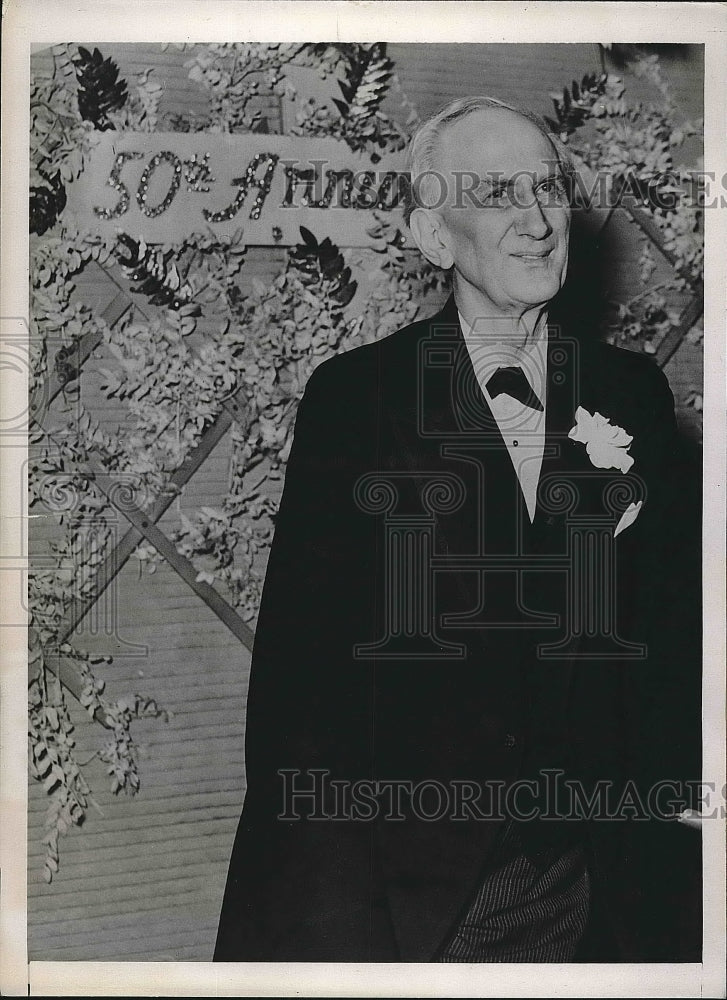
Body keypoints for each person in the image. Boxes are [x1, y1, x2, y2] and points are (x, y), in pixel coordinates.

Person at [215, 96, 701, 963]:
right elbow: (302, 698)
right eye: (495, 192)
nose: (536, 217)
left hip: (598, 886)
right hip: (418, 891)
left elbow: (669, 645)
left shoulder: (628, 393)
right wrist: (347, 940)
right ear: (434, 237)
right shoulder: (357, 399)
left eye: (546, 186)